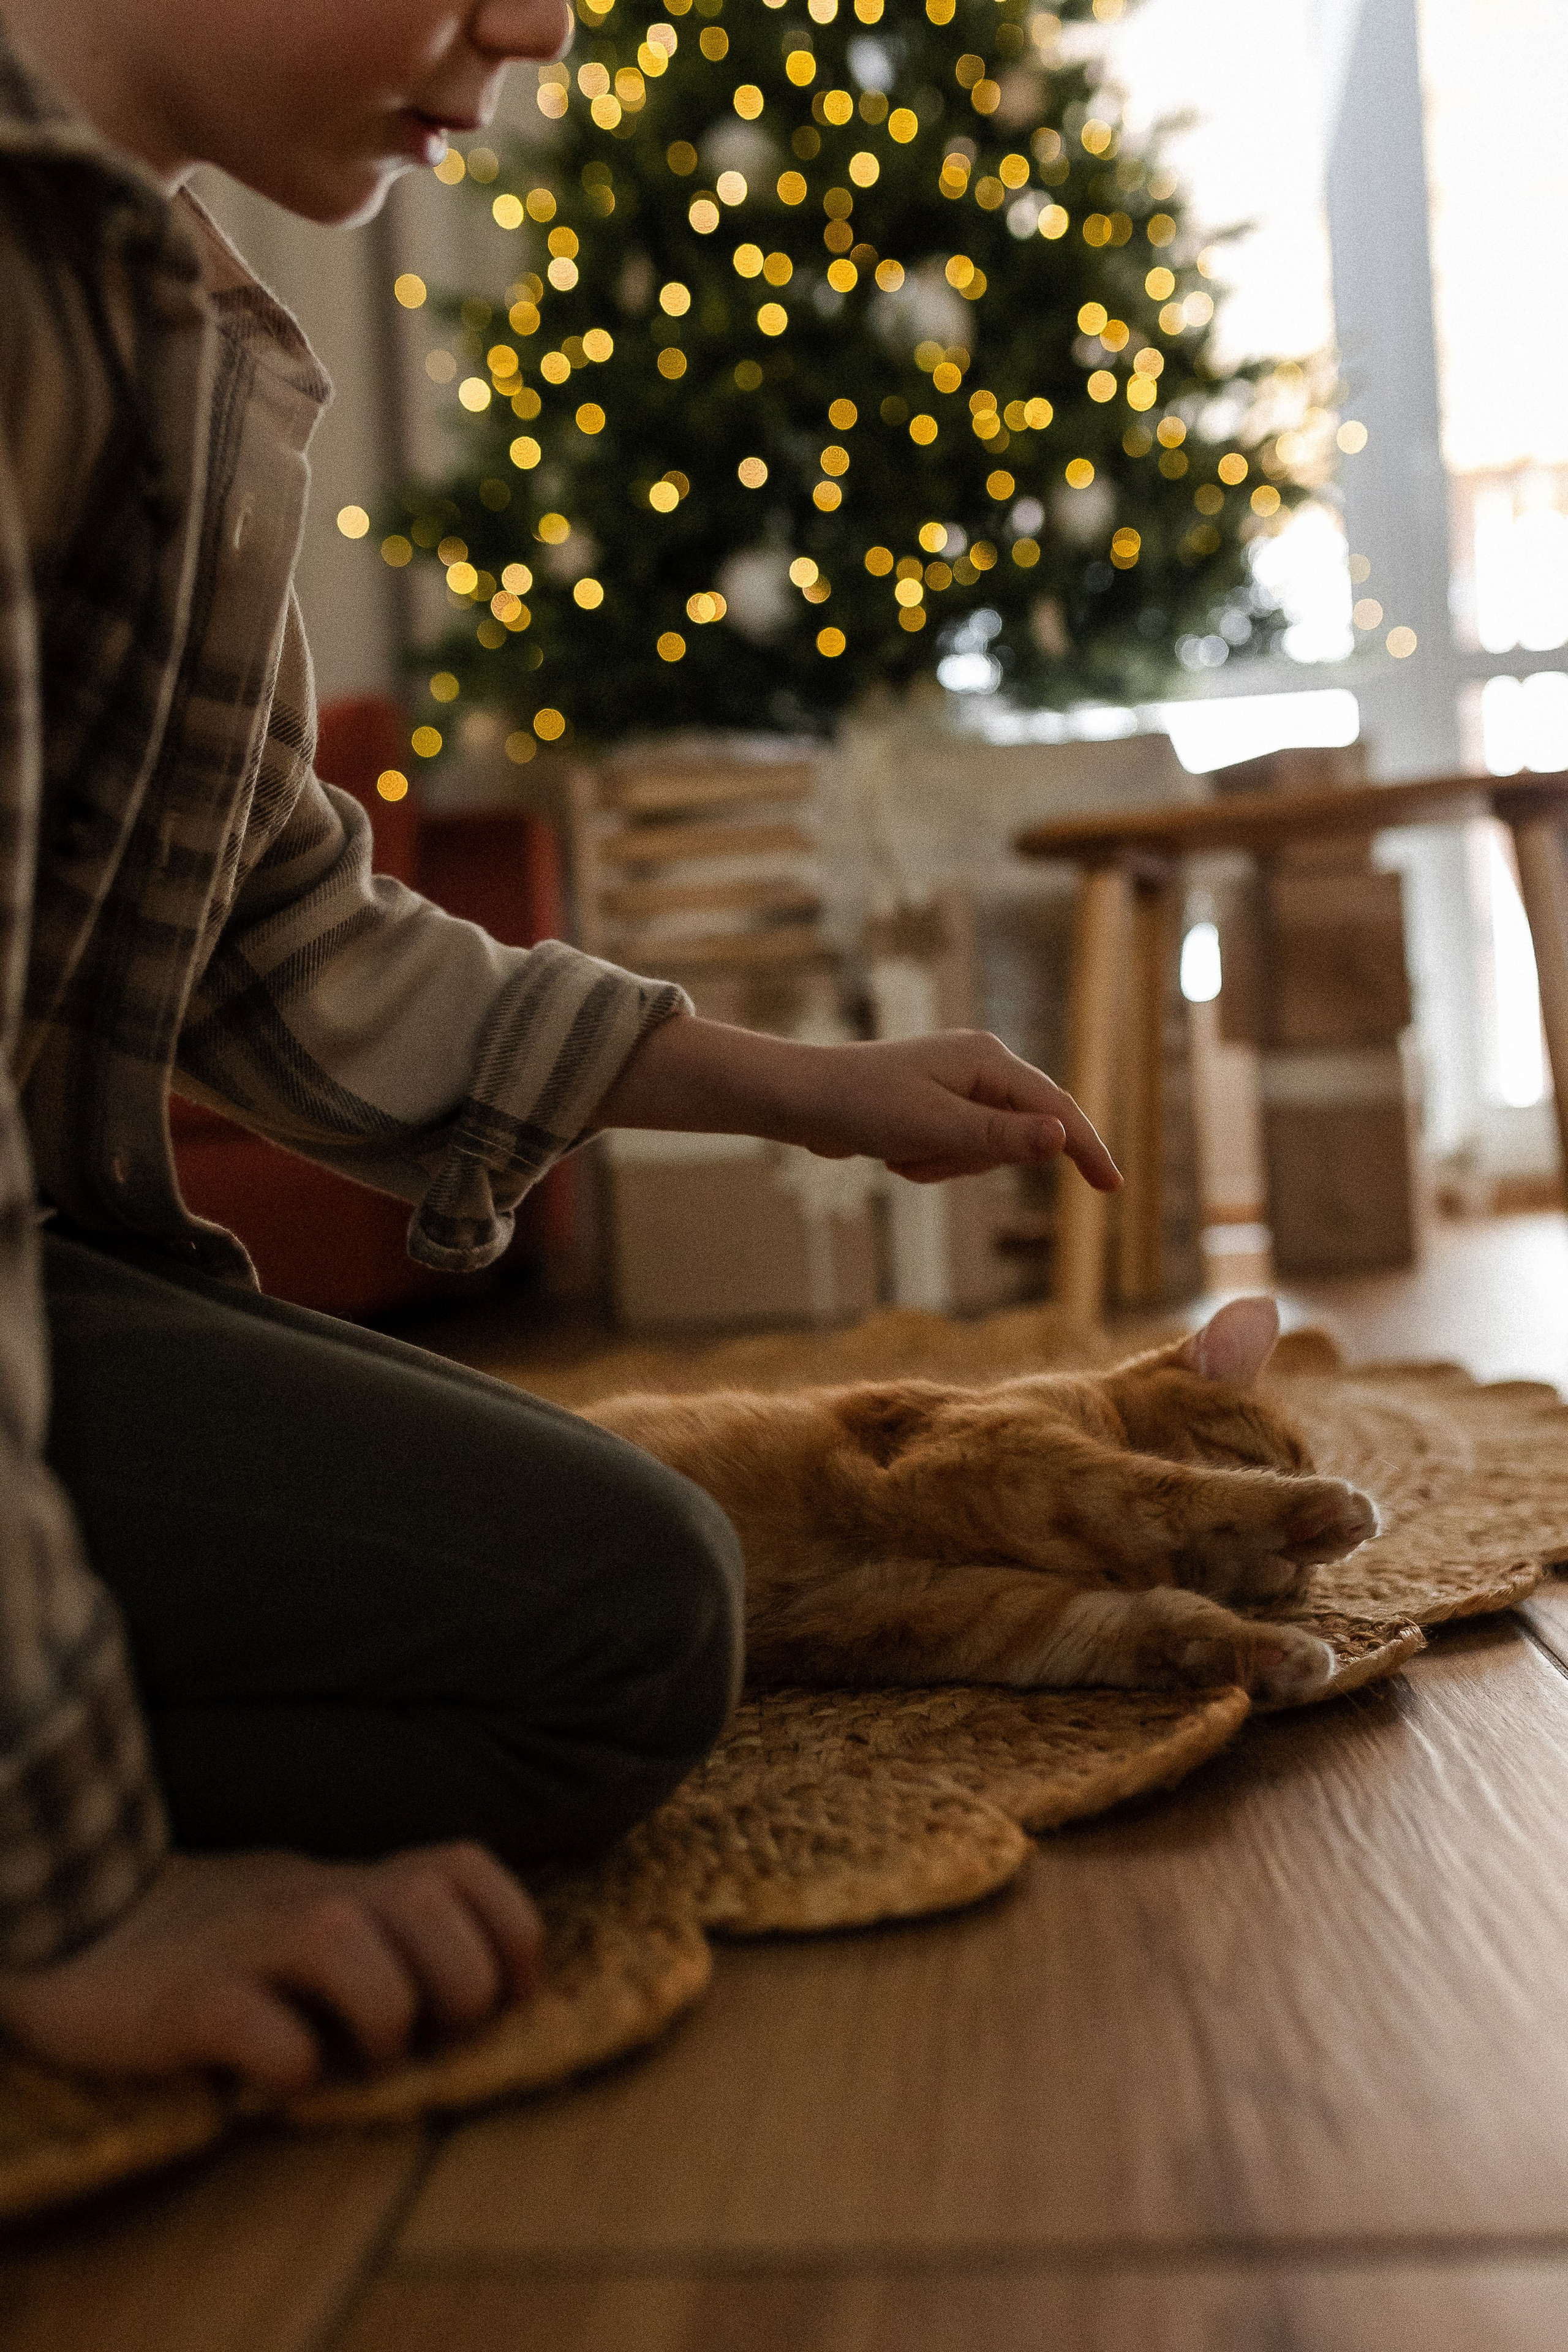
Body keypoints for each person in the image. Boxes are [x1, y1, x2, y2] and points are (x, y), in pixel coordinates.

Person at [0, 0, 1120, 2095]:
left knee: (623, 1611)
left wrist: (802, 1086)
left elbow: (275, 929)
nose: (543, 20)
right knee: (609, 1637)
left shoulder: (166, 327)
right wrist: (72, 1893)